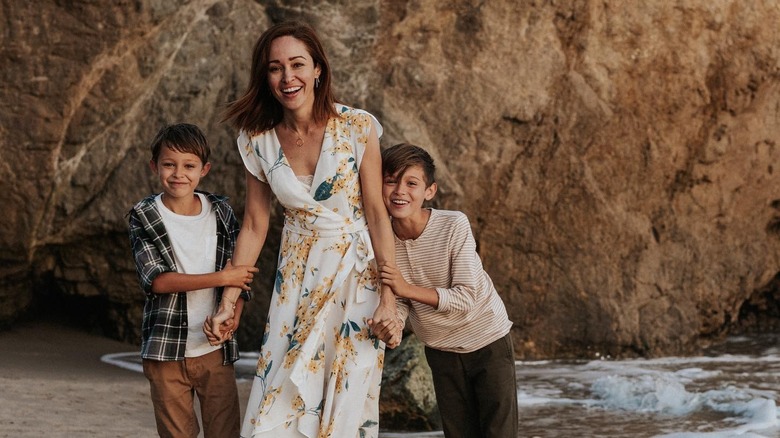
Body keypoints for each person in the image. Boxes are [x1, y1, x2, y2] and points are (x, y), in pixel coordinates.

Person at [206, 20, 400, 438]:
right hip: (295, 282)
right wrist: (228, 300)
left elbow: (376, 214)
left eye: (297, 64)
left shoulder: (357, 127)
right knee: (277, 397)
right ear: (265, 75)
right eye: (275, 68)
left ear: (318, 69)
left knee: (345, 398)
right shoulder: (257, 139)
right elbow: (256, 226)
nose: (287, 77)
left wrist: (389, 298)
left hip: (355, 281)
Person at [372, 143, 519, 438]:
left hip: (488, 340)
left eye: (411, 183)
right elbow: (399, 301)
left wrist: (407, 288)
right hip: (440, 352)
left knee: (499, 434)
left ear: (430, 191)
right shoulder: (380, 239)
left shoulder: (454, 225)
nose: (399, 190)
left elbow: (466, 298)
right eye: (391, 181)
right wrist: (393, 326)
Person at [127, 123, 259, 438]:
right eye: (168, 164)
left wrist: (233, 318)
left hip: (214, 351)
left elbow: (239, 279)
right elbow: (157, 281)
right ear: (154, 166)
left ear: (204, 170)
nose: (178, 174)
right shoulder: (144, 215)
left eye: (189, 166)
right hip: (165, 353)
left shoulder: (222, 212)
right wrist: (223, 276)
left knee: (224, 432)